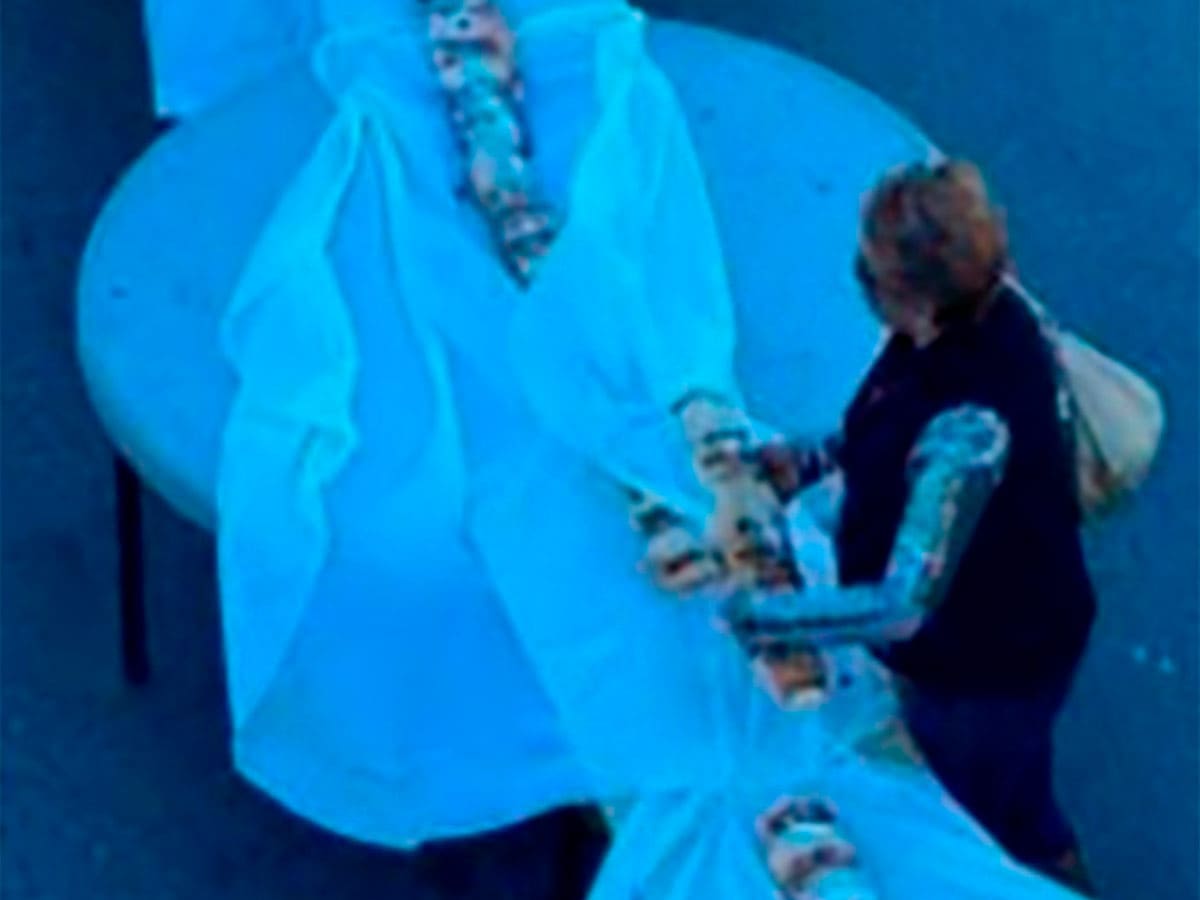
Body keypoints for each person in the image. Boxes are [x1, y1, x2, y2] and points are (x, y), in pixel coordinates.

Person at [729, 158, 1099, 896]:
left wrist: (766, 616)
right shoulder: (966, 325)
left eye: (872, 271)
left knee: (987, 818)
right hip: (1006, 633)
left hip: (991, 663)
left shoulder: (968, 425)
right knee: (1009, 791)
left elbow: (904, 603)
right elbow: (885, 428)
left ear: (910, 291)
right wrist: (809, 460)